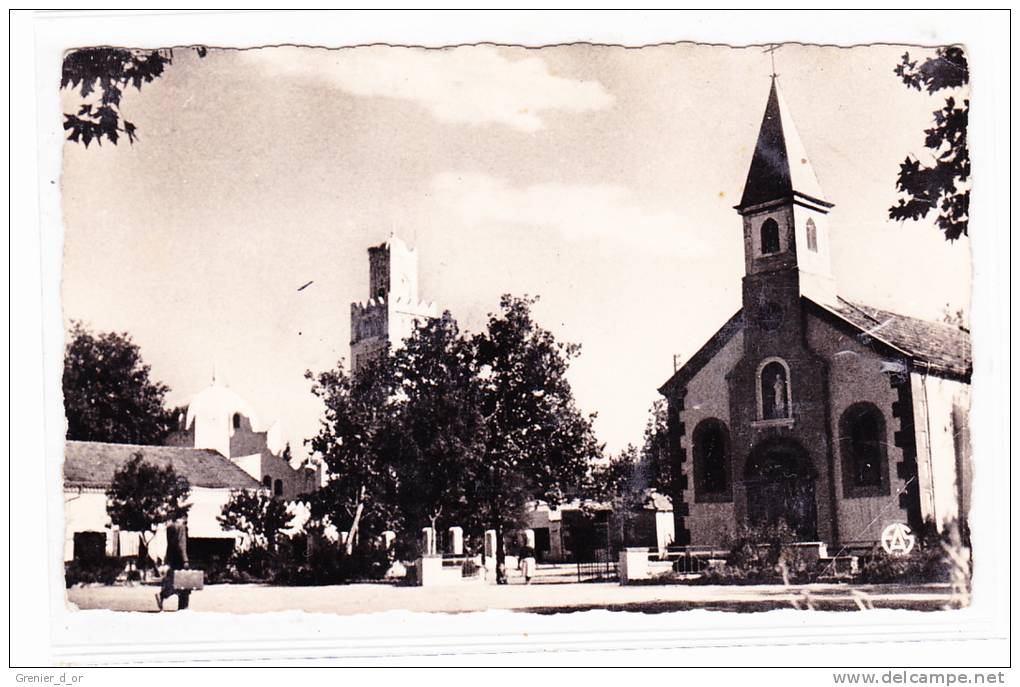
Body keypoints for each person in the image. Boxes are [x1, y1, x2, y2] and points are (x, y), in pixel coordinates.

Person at [156, 518, 190, 611]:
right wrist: (185, 560)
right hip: (180, 559)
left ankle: (163, 594)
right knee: (184, 583)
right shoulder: (181, 527)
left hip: (173, 558)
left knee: (175, 581)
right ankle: (183, 607)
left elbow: (170, 545)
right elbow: (181, 544)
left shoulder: (170, 527)